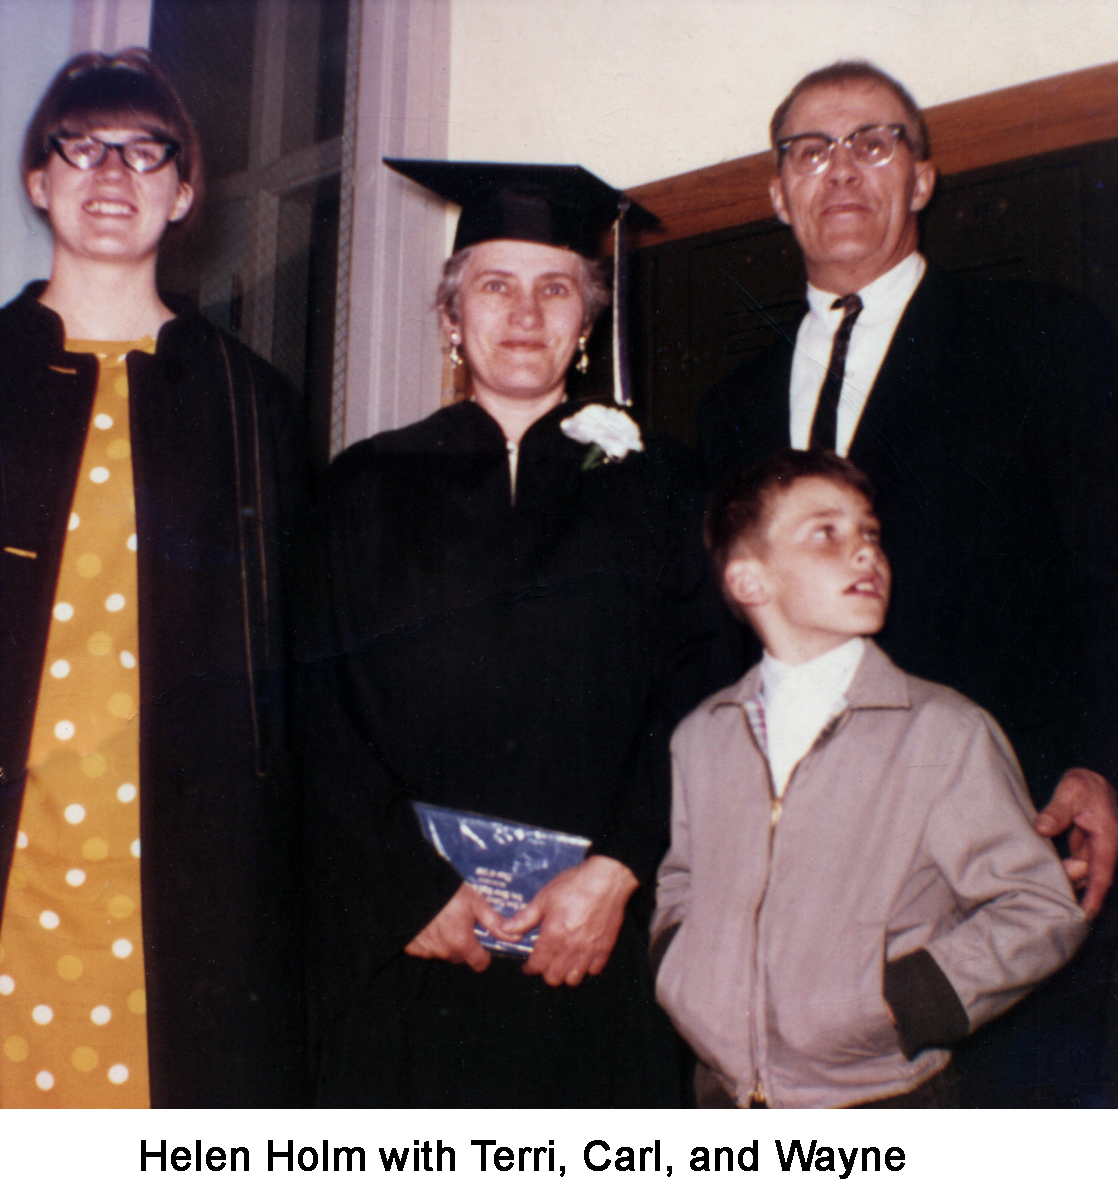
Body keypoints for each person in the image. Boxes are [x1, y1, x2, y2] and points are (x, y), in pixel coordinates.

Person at [699, 61, 1118, 1105]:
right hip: (796, 890)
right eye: (811, 149)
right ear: (776, 192)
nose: (842, 170)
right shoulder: (722, 406)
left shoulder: (1039, 335)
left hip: (998, 845)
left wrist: (1101, 757)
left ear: (921, 179)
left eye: (874, 142)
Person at [302, 159, 738, 1107]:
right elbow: (314, 707)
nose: (527, 315)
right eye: (495, 287)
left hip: (595, 939)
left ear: (587, 323)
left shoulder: (665, 484)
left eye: (556, 291)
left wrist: (622, 867)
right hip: (416, 942)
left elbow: (706, 687)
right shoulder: (362, 485)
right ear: (453, 316)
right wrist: (407, 891)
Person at [0, 50, 308, 1107]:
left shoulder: (247, 397)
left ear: (184, 191)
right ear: (38, 178)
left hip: (181, 862)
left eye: (145, 151)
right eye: (79, 146)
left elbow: (285, 666)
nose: (112, 172)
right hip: (18, 841)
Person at [652, 448, 1086, 1108]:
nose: (864, 552)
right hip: (722, 1094)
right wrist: (680, 969)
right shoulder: (702, 737)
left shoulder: (942, 730)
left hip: (880, 1095)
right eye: (827, 532)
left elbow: (1038, 905)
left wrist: (909, 1001)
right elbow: (682, 880)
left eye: (870, 533)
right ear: (749, 581)